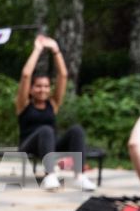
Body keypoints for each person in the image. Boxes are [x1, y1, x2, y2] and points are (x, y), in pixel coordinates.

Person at [14, 33, 94, 192]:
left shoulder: (53, 103)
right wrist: (37, 49)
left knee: (76, 130)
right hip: (29, 145)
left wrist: (55, 50)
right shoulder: (23, 104)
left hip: (50, 145)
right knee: (46, 130)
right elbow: (26, 75)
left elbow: (63, 75)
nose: (42, 89)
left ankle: (79, 177)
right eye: (38, 86)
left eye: (45, 86)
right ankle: (50, 175)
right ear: (31, 89)